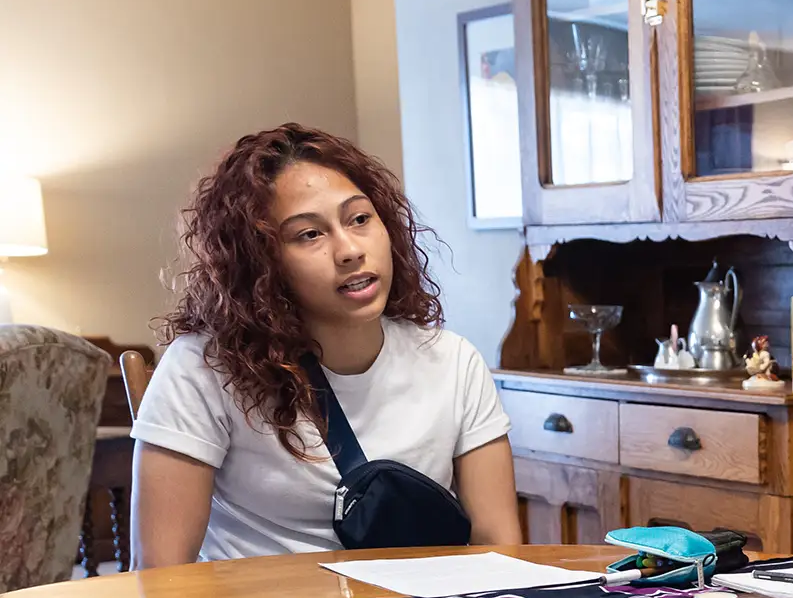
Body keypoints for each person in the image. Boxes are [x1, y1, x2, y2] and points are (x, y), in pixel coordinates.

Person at [131, 124, 520, 566]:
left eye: (359, 219)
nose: (350, 250)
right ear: (261, 261)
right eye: (309, 234)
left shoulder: (453, 362)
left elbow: (498, 547)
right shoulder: (203, 369)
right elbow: (159, 575)